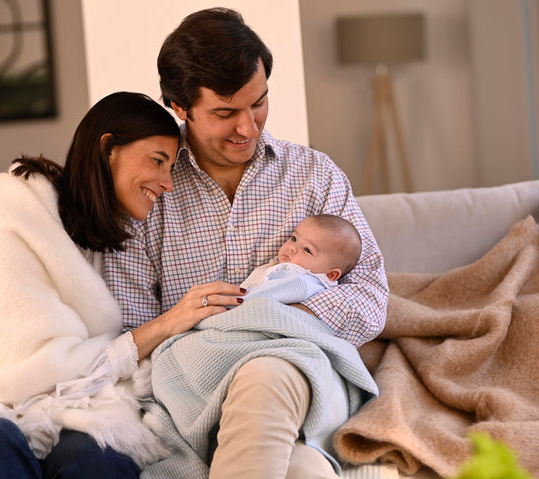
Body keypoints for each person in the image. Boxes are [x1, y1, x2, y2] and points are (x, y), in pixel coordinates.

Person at [0, 91, 242, 479]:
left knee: (103, 457)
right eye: (158, 162)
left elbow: (103, 371)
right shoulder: (8, 223)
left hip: (60, 415)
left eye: (171, 168)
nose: (167, 184)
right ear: (109, 148)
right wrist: (165, 324)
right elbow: (22, 374)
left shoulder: (110, 242)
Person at [103, 8, 389, 479]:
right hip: (192, 391)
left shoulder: (314, 177)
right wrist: (186, 321)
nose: (248, 128)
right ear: (179, 106)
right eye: (225, 113)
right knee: (301, 470)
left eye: (258, 103)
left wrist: (275, 317)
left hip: (298, 374)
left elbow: (371, 299)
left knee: (267, 372)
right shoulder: (148, 190)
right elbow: (125, 332)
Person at [240, 214, 362, 304]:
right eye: (294, 239)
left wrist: (228, 302)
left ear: (330, 275)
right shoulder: (287, 270)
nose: (292, 248)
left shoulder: (301, 282)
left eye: (307, 250)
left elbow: (259, 298)